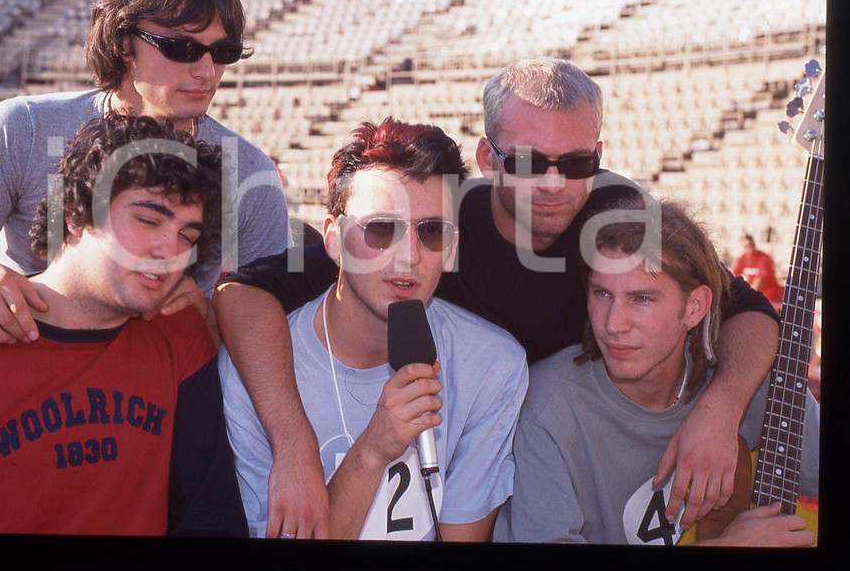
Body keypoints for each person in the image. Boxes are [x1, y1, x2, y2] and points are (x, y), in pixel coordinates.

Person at [214, 57, 781, 535]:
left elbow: (746, 311)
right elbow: (246, 292)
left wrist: (719, 408)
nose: (555, 184)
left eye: (577, 162)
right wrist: (293, 443)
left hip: (542, 458)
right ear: (488, 161)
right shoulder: (428, 221)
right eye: (530, 162)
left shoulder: (617, 216)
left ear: (599, 157)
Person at [0, 0, 324, 534]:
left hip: (153, 434)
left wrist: (292, 446)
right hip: (10, 414)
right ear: (123, 40)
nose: (207, 71)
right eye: (181, 47)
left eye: (222, 51)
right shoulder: (22, 128)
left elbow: (277, 332)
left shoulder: (248, 175)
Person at [0, 113, 248, 536]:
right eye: (148, 220)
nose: (170, 250)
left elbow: (208, 519)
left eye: (187, 237)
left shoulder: (179, 336)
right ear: (74, 214)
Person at [219, 118, 528, 540]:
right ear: (333, 238)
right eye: (382, 229)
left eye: (432, 231)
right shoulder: (256, 365)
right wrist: (371, 452)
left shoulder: (493, 365)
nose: (409, 256)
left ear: (452, 247)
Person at [494, 196, 818, 546]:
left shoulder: (752, 385)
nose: (614, 324)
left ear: (695, 307)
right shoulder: (550, 408)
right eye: (602, 293)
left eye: (642, 299)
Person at [731, 234, 784, 310]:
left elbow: (760, 280)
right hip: (756, 298)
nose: (750, 247)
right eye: (746, 246)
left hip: (770, 298)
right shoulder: (742, 258)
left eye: (751, 244)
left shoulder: (764, 258)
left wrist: (748, 297)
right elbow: (733, 276)